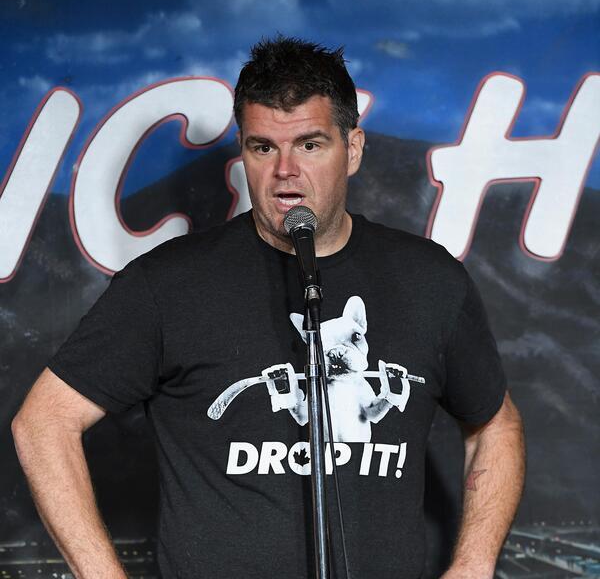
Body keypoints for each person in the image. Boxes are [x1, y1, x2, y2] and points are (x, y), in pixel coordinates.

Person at [12, 36, 525, 579]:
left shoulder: (429, 280)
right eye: (263, 148)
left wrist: (473, 565)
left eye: (310, 145)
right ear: (243, 151)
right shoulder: (168, 284)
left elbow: (496, 425)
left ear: (352, 149)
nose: (285, 171)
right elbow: (44, 422)